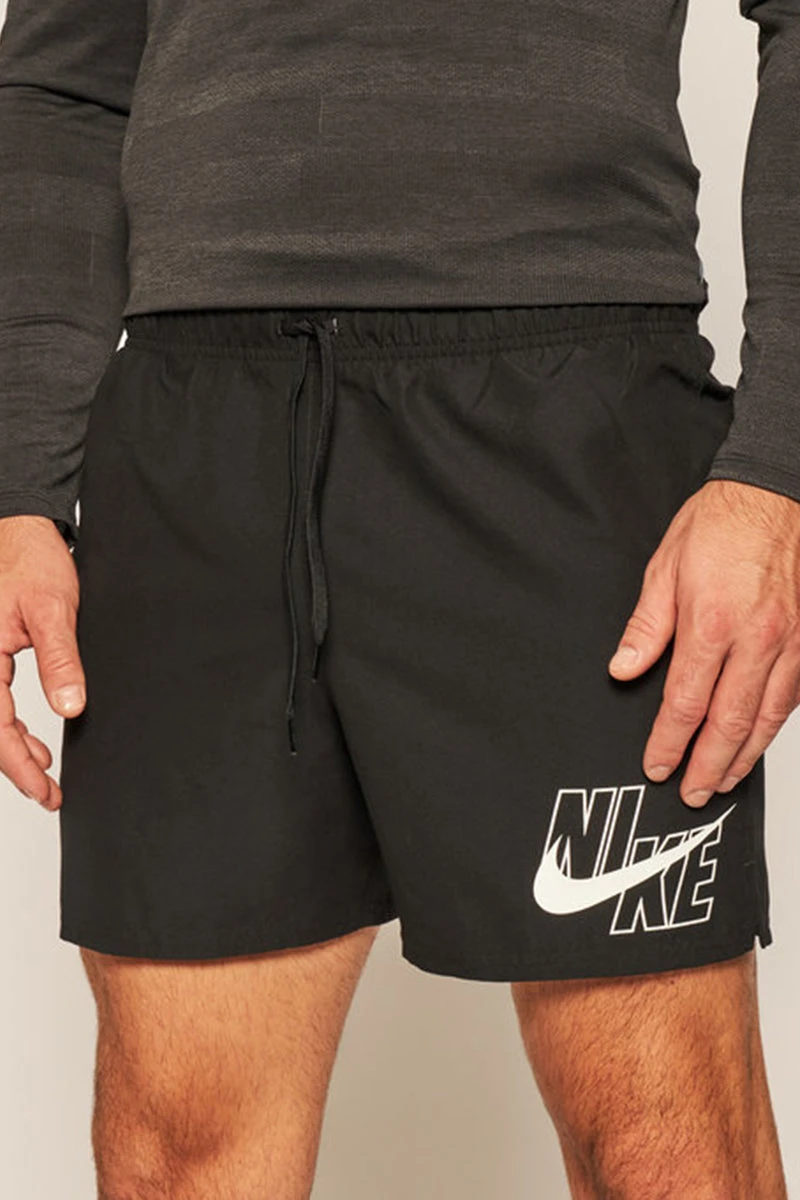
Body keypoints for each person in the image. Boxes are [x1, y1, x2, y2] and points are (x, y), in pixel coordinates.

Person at [0, 0, 794, 1195]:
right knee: (176, 1158)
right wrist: (17, 485)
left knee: (665, 1151)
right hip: (197, 434)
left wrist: (779, 469)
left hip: (563, 417)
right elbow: (66, 78)